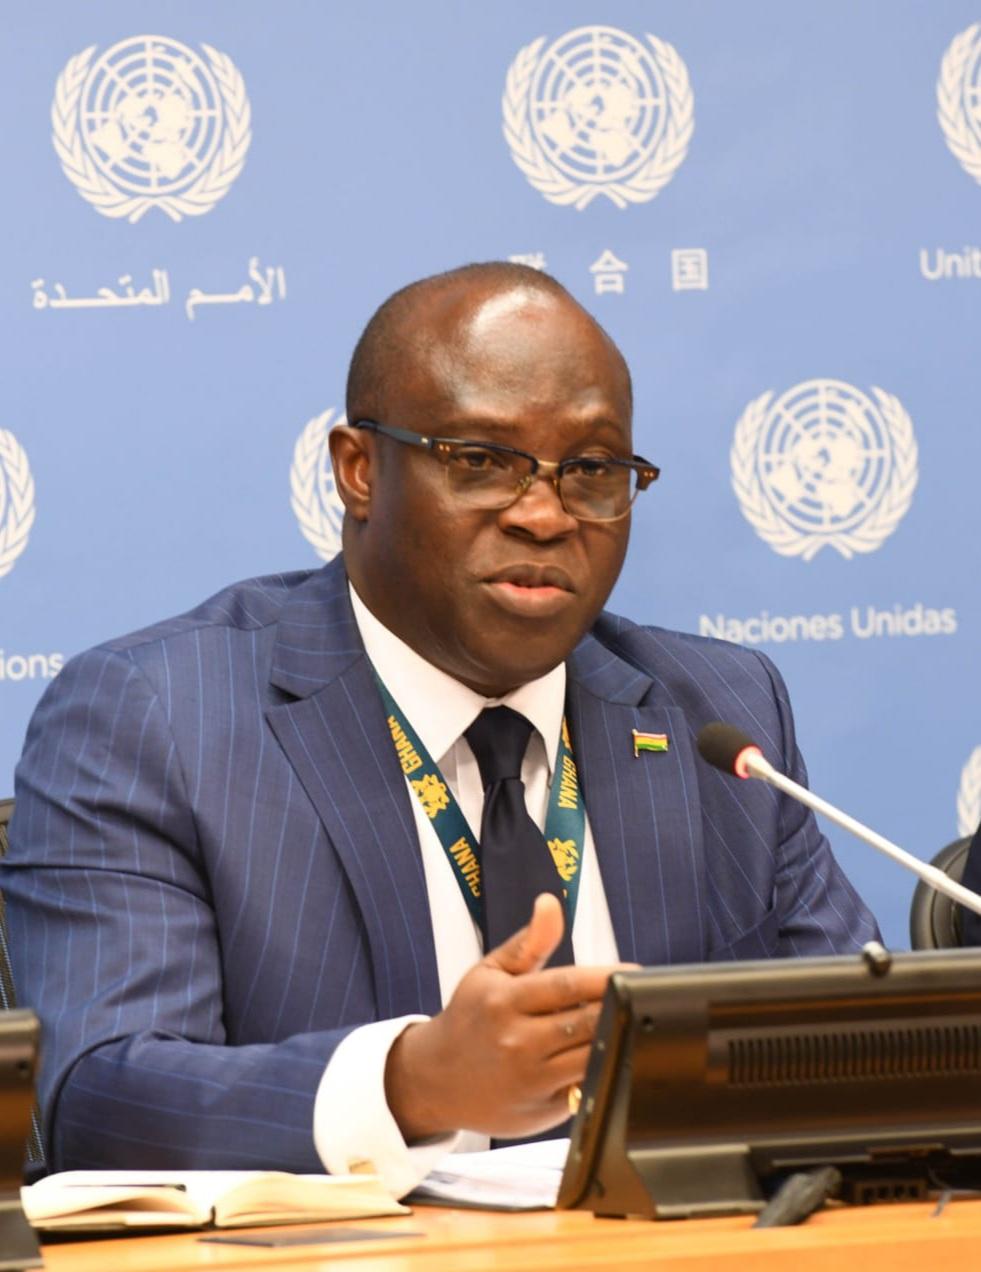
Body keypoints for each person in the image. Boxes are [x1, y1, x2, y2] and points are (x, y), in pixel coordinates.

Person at [1, 262, 878, 1196]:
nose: (543, 515)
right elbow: (99, 1097)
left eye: (589, 471)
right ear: (358, 470)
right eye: (482, 461)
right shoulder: (157, 718)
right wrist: (414, 1083)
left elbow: (847, 1058)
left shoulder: (714, 712)